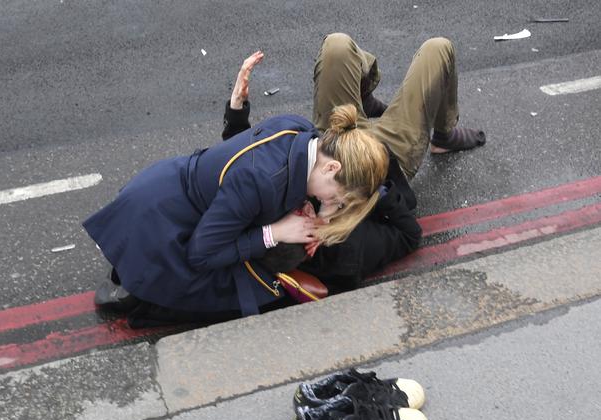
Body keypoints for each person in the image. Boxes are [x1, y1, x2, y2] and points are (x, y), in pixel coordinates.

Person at [83, 100, 388, 326]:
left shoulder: (302, 131)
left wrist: (304, 205)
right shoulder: (259, 181)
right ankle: (137, 286)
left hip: (167, 191)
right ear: (332, 167)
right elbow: (201, 255)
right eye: (337, 197)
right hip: (161, 228)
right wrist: (274, 233)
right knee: (249, 297)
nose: (331, 205)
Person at [220, 33, 485, 291]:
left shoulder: (271, 214)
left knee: (337, 46)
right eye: (305, 216)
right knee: (438, 49)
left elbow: (241, 166)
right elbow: (409, 235)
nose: (302, 206)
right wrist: (373, 187)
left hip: (336, 137)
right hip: (386, 155)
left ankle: (362, 100)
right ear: (312, 244)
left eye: (292, 214)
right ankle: (444, 133)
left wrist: (236, 110)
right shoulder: (347, 254)